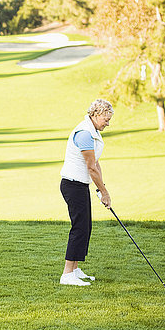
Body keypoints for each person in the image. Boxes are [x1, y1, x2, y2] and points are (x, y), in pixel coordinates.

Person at [59, 99, 114, 286]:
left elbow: (96, 163)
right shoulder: (84, 133)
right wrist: (104, 192)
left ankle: (75, 269)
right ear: (96, 115)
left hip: (80, 185)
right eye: (106, 119)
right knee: (79, 228)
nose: (108, 123)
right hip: (72, 185)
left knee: (85, 227)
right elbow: (91, 167)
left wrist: (101, 187)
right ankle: (67, 274)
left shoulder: (93, 132)